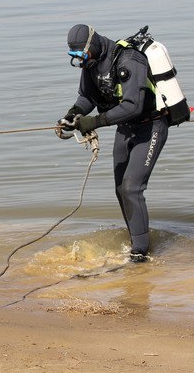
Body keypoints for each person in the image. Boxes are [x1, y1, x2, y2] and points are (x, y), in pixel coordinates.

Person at [57, 24, 169, 263]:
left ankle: (140, 255)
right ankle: (137, 242)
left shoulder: (129, 60)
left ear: (93, 45)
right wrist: (73, 114)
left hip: (151, 126)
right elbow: (87, 97)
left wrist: (94, 122)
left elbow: (133, 106)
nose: (80, 61)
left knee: (132, 189)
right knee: (121, 190)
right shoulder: (91, 64)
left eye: (82, 55)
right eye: (74, 57)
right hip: (125, 128)